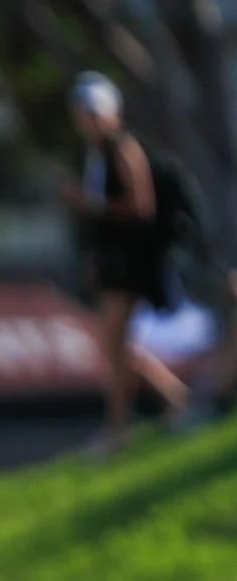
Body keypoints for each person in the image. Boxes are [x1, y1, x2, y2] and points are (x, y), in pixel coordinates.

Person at [65, 72, 190, 448]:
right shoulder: (96, 154)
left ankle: (121, 425)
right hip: (111, 261)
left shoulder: (122, 148)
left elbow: (140, 204)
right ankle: (168, 401)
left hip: (129, 262)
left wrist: (91, 205)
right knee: (114, 348)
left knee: (115, 345)